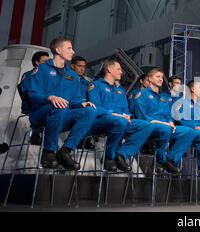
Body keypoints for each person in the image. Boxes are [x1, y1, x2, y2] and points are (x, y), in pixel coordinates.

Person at [27, 38, 97, 170]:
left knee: (90, 111)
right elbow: (33, 94)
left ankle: (65, 150)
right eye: (69, 48)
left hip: (63, 112)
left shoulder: (72, 75)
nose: (73, 51)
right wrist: (50, 97)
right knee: (60, 106)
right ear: (58, 50)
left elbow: (75, 98)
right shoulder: (41, 69)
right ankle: (48, 151)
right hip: (41, 112)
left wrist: (82, 103)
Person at [87, 59, 153, 172]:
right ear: (109, 70)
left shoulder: (120, 90)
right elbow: (95, 107)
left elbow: (125, 109)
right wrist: (113, 114)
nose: (121, 72)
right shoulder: (96, 85)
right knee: (120, 121)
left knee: (147, 125)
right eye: (118, 69)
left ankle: (121, 154)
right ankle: (109, 157)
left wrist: (127, 115)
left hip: (120, 121)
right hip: (100, 121)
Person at [133, 68, 196, 175]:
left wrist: (170, 122)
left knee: (190, 132)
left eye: (162, 77)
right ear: (149, 78)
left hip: (166, 127)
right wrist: (165, 124)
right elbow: (142, 117)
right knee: (165, 129)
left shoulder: (163, 98)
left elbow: (168, 115)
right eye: (157, 77)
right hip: (151, 128)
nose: (161, 79)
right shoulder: (142, 94)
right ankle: (160, 161)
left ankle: (170, 160)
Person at [19, 51, 49, 145]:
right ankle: (38, 134)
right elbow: (30, 94)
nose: (47, 64)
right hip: (32, 105)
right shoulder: (29, 74)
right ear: (37, 62)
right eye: (44, 61)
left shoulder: (48, 75)